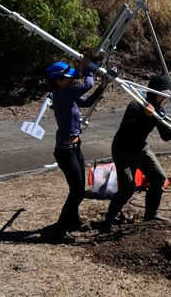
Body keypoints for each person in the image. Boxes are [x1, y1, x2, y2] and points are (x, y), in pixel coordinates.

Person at [100, 75, 171, 232]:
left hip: (141, 149)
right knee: (127, 188)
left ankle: (151, 214)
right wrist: (146, 117)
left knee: (159, 179)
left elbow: (165, 136)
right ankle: (110, 217)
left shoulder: (158, 110)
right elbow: (128, 132)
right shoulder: (136, 105)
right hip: (123, 150)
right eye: (162, 94)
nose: (164, 98)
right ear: (154, 92)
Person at [44, 55, 108, 241]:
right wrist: (86, 68)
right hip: (66, 150)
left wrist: (102, 88)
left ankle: (73, 220)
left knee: (78, 188)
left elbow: (87, 101)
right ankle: (60, 229)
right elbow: (87, 85)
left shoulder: (67, 95)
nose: (73, 79)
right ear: (59, 81)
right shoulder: (62, 96)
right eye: (69, 77)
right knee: (77, 191)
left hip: (75, 147)